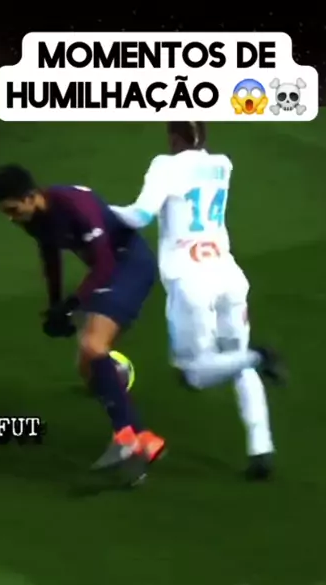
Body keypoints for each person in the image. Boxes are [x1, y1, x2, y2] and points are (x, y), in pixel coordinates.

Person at [111, 122, 283, 480]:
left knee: (193, 373)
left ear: (173, 138)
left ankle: (261, 356)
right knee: (236, 360)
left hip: (190, 280)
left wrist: (98, 208)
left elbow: (139, 216)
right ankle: (261, 447)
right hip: (228, 275)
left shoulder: (165, 165)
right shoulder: (222, 164)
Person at [0, 165, 165, 482]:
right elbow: (50, 255)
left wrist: (72, 304)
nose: (11, 218)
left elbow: (105, 263)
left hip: (128, 266)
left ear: (31, 196)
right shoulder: (33, 219)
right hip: (109, 272)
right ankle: (142, 438)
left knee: (93, 346)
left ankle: (128, 438)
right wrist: (55, 306)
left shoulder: (73, 205)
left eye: (13, 210)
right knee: (86, 365)